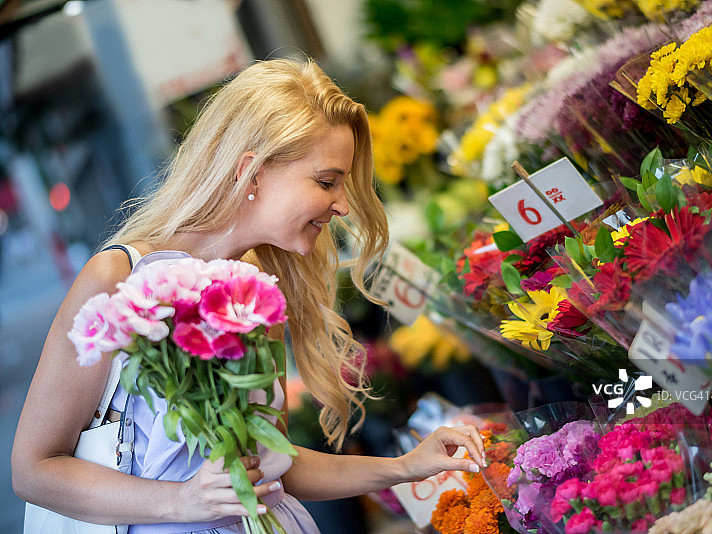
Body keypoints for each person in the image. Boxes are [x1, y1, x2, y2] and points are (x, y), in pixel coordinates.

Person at [11, 57, 486, 533]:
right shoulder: (117, 277)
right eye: (327, 181)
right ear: (252, 173)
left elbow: (276, 464)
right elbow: (34, 470)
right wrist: (181, 502)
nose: (342, 204)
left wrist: (407, 466)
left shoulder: (255, 291)